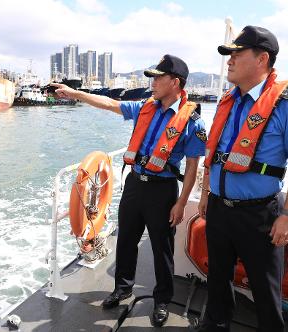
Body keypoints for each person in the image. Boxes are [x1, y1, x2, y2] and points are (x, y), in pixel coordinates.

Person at [52, 54, 206, 327]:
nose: (153, 82)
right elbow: (111, 104)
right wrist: (76, 93)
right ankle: (122, 288)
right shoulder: (145, 107)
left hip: (163, 190)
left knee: (162, 249)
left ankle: (162, 300)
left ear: (175, 83)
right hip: (135, 184)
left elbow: (193, 165)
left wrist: (182, 202)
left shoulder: (192, 122)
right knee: (125, 240)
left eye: (159, 77)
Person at [198, 26, 288, 331]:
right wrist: (206, 193)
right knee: (218, 278)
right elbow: (217, 154)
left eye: (237, 54)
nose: (230, 61)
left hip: (260, 213)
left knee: (265, 290)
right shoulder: (229, 100)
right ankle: (215, 324)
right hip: (219, 208)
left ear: (261, 59)